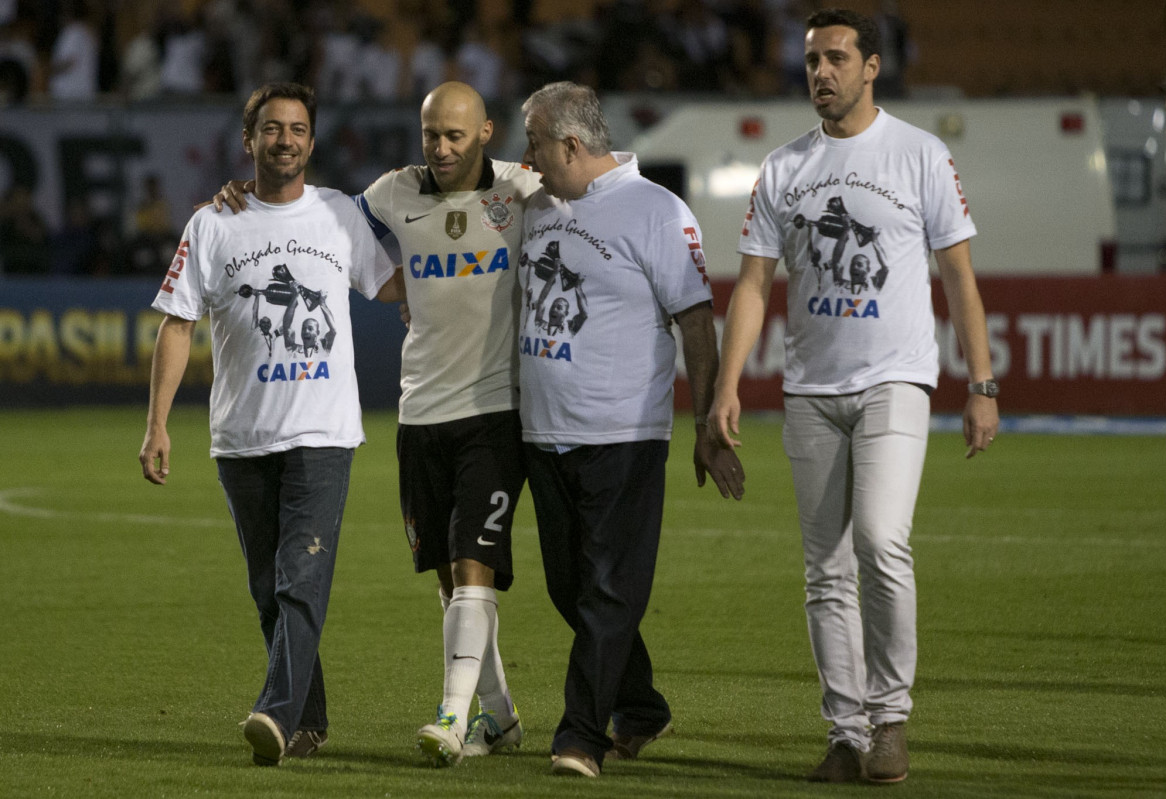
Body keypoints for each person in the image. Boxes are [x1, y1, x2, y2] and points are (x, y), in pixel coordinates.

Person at [708, 8, 998, 785]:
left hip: (895, 381)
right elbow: (754, 284)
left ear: (873, 66)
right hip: (809, 390)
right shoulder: (783, 168)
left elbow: (960, 276)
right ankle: (845, 731)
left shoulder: (920, 154)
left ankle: (890, 717)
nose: (821, 73)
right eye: (811, 61)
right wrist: (725, 385)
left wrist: (982, 382)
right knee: (824, 568)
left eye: (837, 58)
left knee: (879, 539)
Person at [212, 80, 540, 767]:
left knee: (473, 564)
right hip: (419, 411)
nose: (442, 148)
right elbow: (312, 218)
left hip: (495, 409)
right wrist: (236, 199)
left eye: (456, 134)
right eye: (431, 135)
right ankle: (501, 715)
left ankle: (452, 718)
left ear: (486, 132)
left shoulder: (524, 189)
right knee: (451, 580)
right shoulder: (393, 193)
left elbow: (592, 187)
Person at [138, 82, 403, 767]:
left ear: (312, 143)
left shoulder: (341, 215)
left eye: (297, 129)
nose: (285, 139)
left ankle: (276, 713)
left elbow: (395, 285)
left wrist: (466, 274)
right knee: (269, 589)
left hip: (322, 434)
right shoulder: (212, 223)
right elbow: (178, 323)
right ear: (250, 140)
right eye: (272, 128)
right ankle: (307, 717)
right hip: (240, 437)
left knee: (299, 578)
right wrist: (157, 423)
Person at [518, 81, 745, 779]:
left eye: (533, 143)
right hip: (541, 433)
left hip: (622, 434)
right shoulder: (535, 205)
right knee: (568, 588)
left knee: (609, 590)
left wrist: (707, 420)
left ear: (571, 145)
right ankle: (641, 704)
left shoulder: (657, 211)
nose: (525, 158)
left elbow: (697, 322)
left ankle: (580, 735)